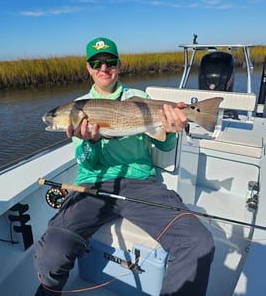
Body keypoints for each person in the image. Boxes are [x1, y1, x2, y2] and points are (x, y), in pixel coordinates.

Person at [34, 37, 215, 296]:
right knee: (52, 252)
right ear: (88, 67)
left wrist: (172, 130)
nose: (103, 68)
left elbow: (163, 146)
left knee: (198, 242)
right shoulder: (80, 106)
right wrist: (91, 143)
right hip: (92, 185)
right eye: (96, 63)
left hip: (141, 184)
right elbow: (86, 162)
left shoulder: (139, 98)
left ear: (119, 65)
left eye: (109, 62)